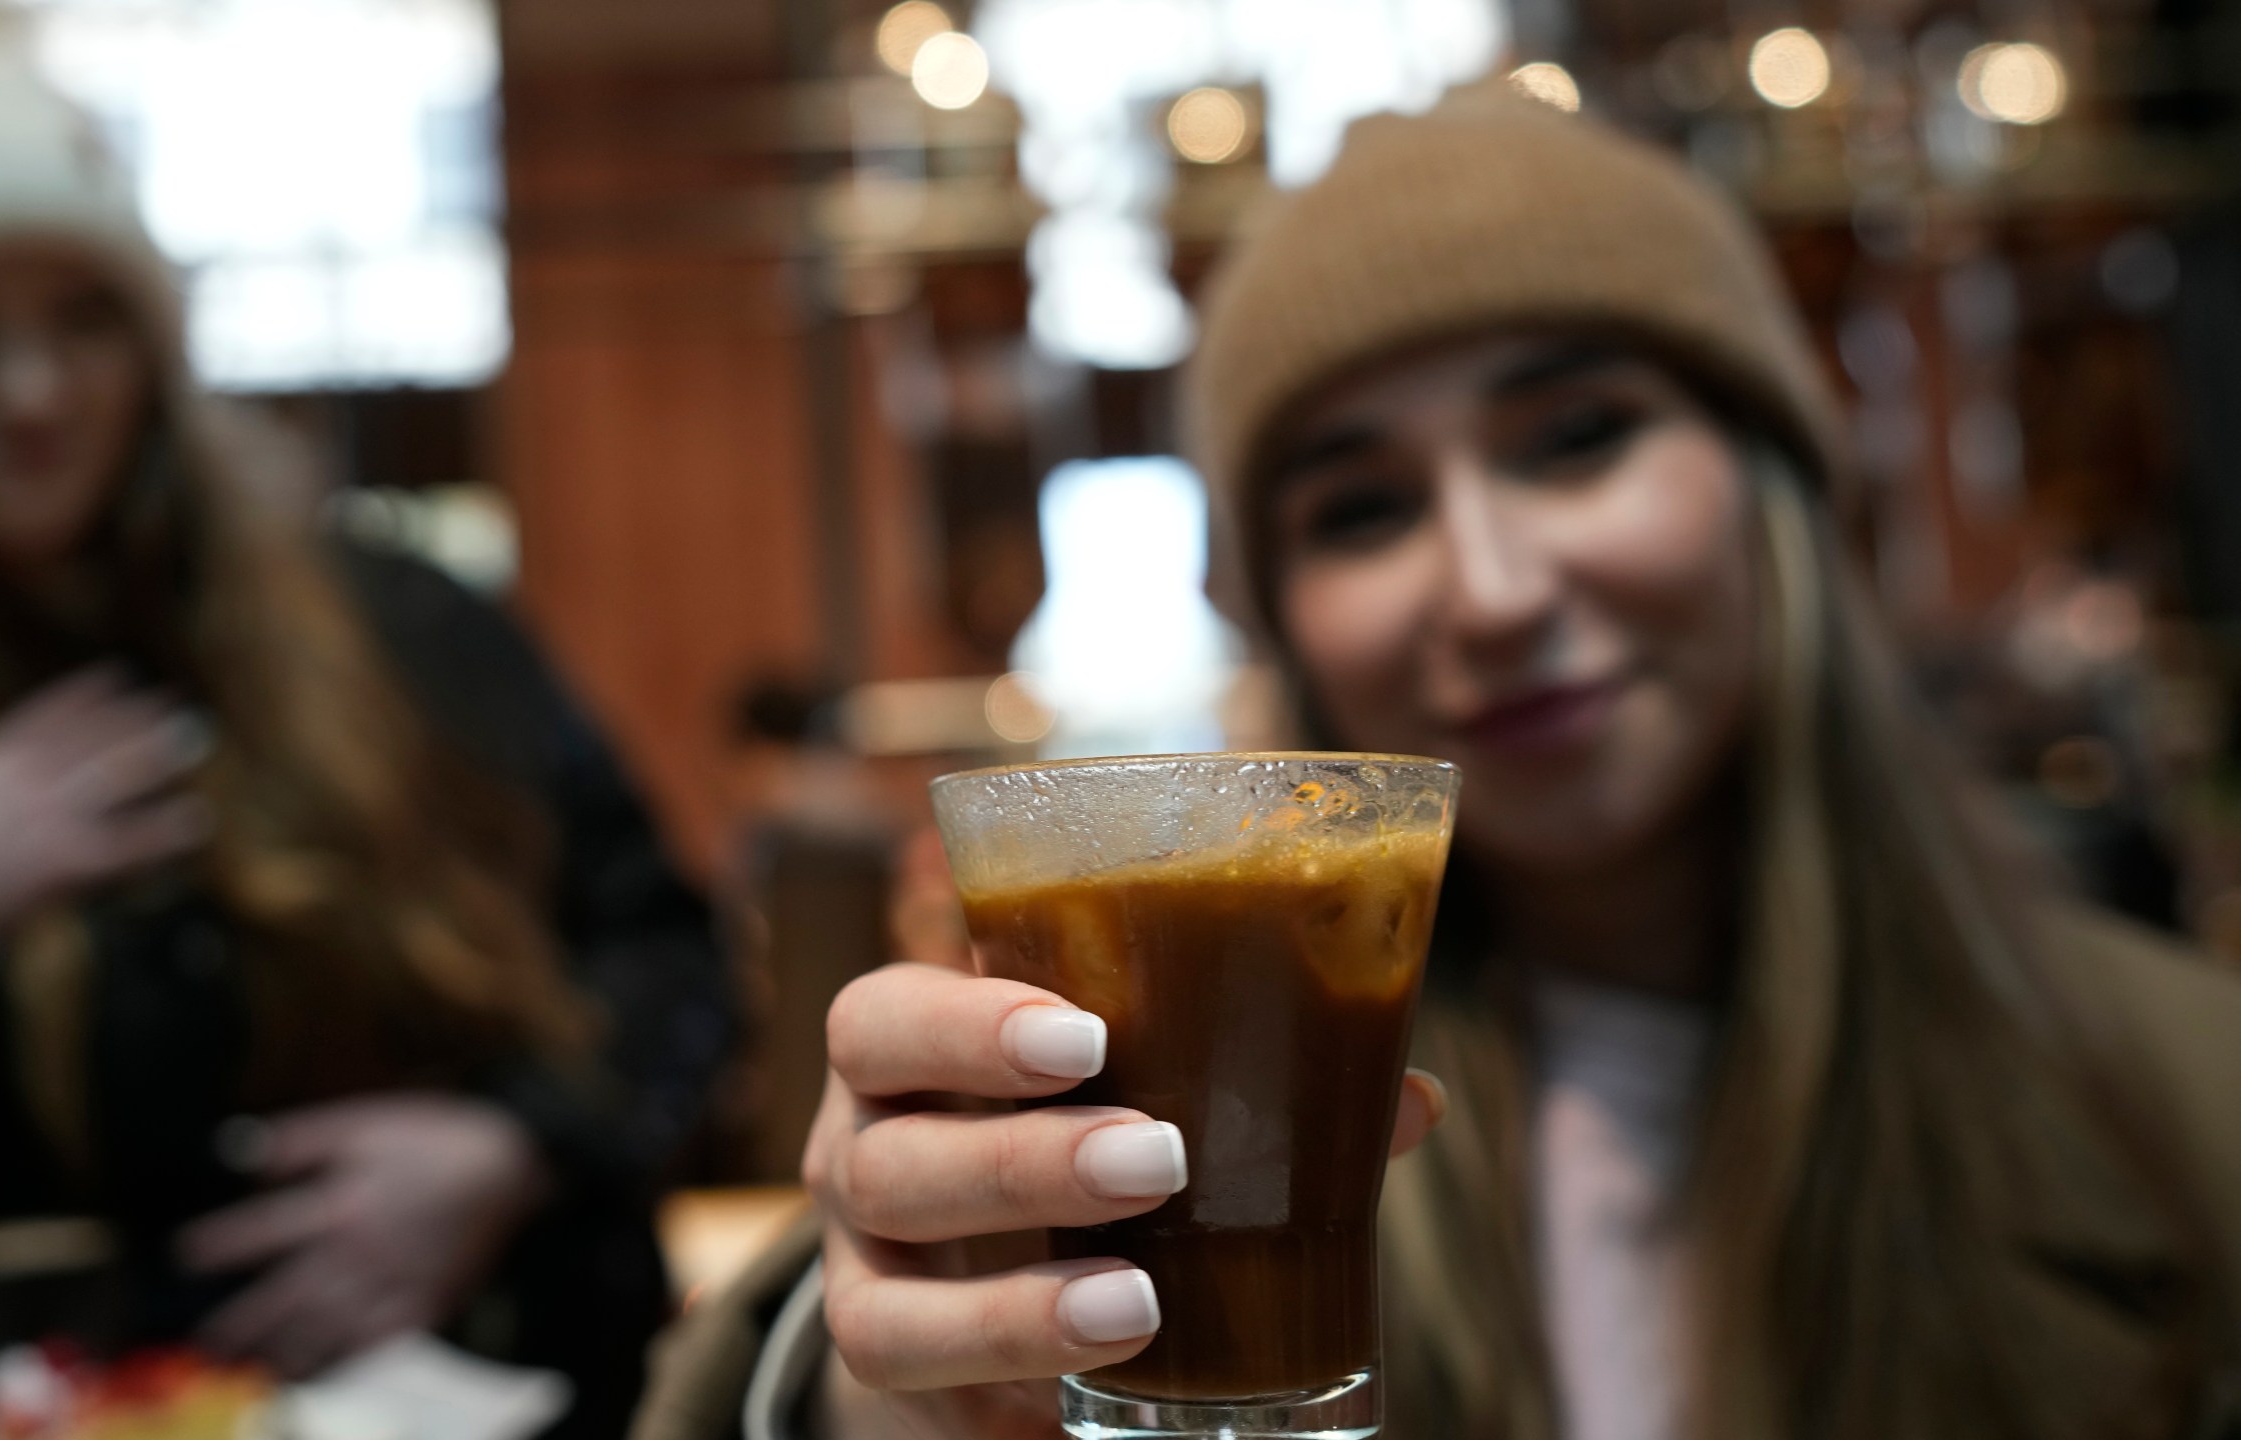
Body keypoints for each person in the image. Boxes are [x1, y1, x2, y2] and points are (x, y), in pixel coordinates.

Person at [629, 86, 2241, 1440]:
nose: (1490, 588)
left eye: (1577, 436)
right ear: (1290, 627)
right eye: (1361, 509)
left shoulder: (2190, 1102)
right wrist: (894, 1385)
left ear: (1773, 489)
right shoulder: (1209, 1115)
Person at [0, 3, 731, 1434]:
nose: (32, 392)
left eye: (81, 317)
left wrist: (512, 1148)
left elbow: (669, 952)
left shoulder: (390, 620)